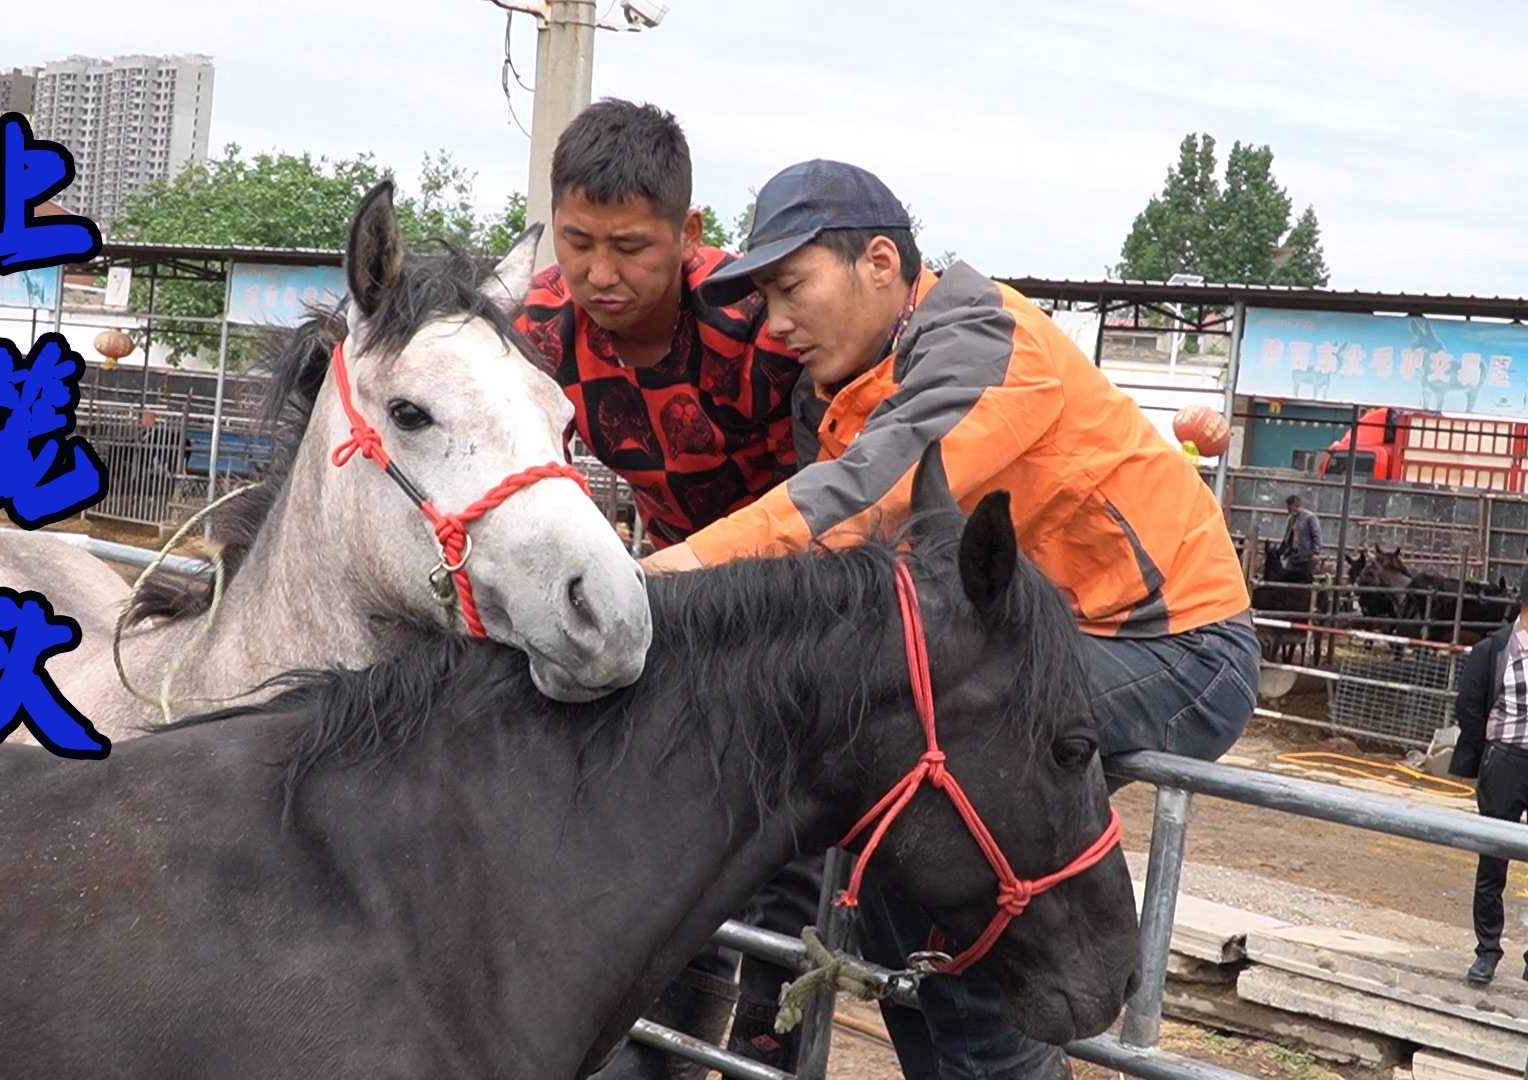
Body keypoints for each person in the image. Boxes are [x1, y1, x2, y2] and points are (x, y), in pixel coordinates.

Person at [645, 158, 1261, 1080]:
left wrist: (674, 576)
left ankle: (1007, 1066)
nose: (774, 323)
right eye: (764, 296)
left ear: (881, 262)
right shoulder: (849, 388)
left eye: (790, 286)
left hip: (1171, 643)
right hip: (1035, 643)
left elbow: (871, 498)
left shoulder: (984, 341)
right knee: (891, 814)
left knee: (947, 770)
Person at [511, 98, 823, 1076]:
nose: (601, 275)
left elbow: (838, 479)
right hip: (672, 590)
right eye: (578, 243)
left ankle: (773, 1035)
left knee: (792, 830)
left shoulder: (765, 323)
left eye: (632, 248)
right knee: (669, 815)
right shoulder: (540, 330)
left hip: (798, 595)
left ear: (690, 238)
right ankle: (659, 1036)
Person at [1449, 576, 1528, 986]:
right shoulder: (1493, 650)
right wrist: (1485, 759)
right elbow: (1470, 708)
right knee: (1493, 861)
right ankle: (1487, 951)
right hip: (1505, 761)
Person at [1281, 495, 1323, 579]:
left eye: (1289, 507)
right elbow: (1288, 536)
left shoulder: (1310, 517)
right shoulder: (1292, 519)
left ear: (1294, 505)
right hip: (1293, 554)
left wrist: (1316, 552)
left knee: (1305, 577)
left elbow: (1316, 534)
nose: (1288, 509)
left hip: (1306, 556)